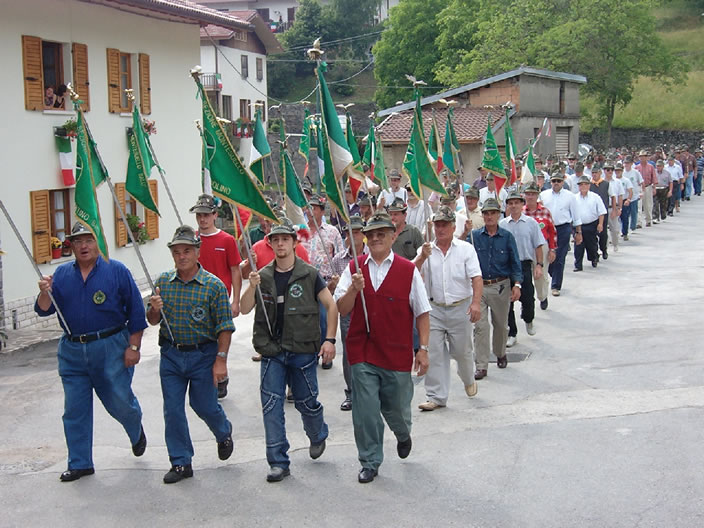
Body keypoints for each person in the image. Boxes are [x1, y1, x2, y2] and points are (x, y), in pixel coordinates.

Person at [34, 222, 147, 482]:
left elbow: (136, 313)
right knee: (74, 410)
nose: (83, 246)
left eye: (89, 240)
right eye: (78, 241)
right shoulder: (61, 275)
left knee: (119, 401)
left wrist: (133, 347)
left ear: (98, 242)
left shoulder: (116, 270)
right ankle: (80, 462)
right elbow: (43, 309)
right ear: (71, 246)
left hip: (110, 347)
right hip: (72, 350)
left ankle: (134, 427)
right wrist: (44, 292)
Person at [335, 211, 431, 484]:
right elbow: (341, 309)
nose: (375, 238)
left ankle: (402, 432)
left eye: (381, 234)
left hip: (397, 352)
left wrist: (422, 348)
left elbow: (423, 312)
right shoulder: (353, 268)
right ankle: (370, 460)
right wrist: (354, 290)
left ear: (393, 236)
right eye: (371, 234)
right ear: (364, 239)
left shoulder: (408, 270)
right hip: (362, 351)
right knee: (365, 409)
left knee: (396, 407)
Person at [240, 219, 338, 483]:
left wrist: (330, 340)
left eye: (285, 239)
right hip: (272, 351)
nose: (280, 243)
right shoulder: (263, 275)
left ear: (295, 242)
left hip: (303, 350)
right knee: (271, 406)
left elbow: (331, 306)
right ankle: (278, 462)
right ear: (270, 243)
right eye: (276, 239)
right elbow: (244, 307)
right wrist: (251, 285)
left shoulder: (309, 274)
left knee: (307, 402)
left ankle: (317, 434)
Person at [147, 226, 235, 484]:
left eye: (187, 251)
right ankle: (181, 461)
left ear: (197, 252)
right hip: (172, 355)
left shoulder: (213, 286)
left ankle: (223, 431)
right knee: (172, 410)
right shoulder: (163, 282)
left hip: (202, 355)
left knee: (204, 405)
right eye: (176, 251)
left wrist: (221, 360)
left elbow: (225, 327)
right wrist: (154, 309)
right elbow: (153, 320)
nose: (181, 256)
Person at [414, 206, 482, 411]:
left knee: (462, 352)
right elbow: (411, 274)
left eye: (445, 225)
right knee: (433, 352)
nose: (441, 229)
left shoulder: (465, 249)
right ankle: (436, 396)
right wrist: (422, 257)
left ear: (453, 227)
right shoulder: (425, 249)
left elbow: (476, 278)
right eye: (437, 225)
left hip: (460, 308)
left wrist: (476, 303)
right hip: (433, 309)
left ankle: (468, 378)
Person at [189, 194, 242, 398]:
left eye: (206, 215)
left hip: (219, 302)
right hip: (196, 300)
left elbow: (235, 270)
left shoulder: (226, 240)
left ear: (215, 215)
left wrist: (235, 300)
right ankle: (204, 377)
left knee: (221, 341)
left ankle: (221, 375)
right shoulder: (192, 240)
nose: (202, 219)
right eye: (199, 215)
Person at [471, 198, 522, 380]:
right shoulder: (474, 236)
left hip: (501, 286)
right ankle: (481, 365)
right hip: (480, 287)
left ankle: (500, 352)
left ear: (499, 215)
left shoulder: (507, 237)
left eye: (492, 213)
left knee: (500, 325)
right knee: (480, 327)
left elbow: (515, 262)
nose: (489, 216)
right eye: (486, 213)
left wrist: (517, 285)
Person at [329, 215, 368, 411]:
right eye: (349, 232)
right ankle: (351, 392)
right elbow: (332, 291)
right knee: (349, 353)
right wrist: (334, 285)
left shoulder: (373, 255)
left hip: (370, 310)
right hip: (348, 311)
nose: (353, 236)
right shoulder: (338, 260)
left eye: (357, 232)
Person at [302, 195, 344, 369]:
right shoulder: (300, 231)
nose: (310, 211)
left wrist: (338, 280)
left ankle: (326, 353)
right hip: (303, 281)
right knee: (305, 321)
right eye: (308, 208)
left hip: (325, 282)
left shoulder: (332, 231)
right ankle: (310, 354)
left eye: (314, 208)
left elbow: (340, 254)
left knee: (324, 319)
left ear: (321, 210)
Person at [499, 190, 545, 347]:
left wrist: (539, 265)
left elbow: (538, 245)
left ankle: (528, 319)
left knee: (528, 297)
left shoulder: (531, 223)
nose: (513, 206)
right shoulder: (502, 224)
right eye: (510, 203)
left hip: (524, 264)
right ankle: (512, 333)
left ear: (521, 204)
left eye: (516, 203)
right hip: (506, 266)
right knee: (507, 302)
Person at [539, 170, 582, 296]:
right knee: (548, 256)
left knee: (560, 256)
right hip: (547, 229)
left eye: (558, 181)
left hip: (563, 228)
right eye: (554, 181)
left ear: (563, 182)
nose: (556, 183)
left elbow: (576, 216)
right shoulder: (544, 195)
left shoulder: (570, 196)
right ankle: (553, 274)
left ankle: (555, 285)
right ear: (550, 182)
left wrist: (578, 232)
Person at [522, 182, 556, 311]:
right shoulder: (520, 212)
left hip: (541, 247)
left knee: (540, 276)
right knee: (525, 276)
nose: (530, 197)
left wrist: (552, 249)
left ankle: (542, 297)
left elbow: (552, 232)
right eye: (528, 194)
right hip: (525, 247)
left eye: (533, 194)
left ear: (537, 195)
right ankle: (526, 302)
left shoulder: (545, 212)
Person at [573, 175, 606, 271]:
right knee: (578, 245)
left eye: (585, 184)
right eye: (581, 185)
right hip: (579, 225)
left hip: (591, 224)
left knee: (591, 244)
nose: (583, 187)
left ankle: (594, 257)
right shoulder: (574, 198)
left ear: (589, 186)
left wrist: (600, 224)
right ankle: (578, 265)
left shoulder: (595, 197)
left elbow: (601, 212)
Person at [603, 161, 624, 253]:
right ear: (604, 171)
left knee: (615, 229)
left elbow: (620, 195)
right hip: (603, 208)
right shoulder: (601, 182)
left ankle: (615, 244)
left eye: (612, 169)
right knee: (603, 230)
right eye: (608, 170)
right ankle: (604, 246)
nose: (610, 171)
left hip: (613, 207)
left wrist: (619, 208)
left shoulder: (617, 182)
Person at [622, 156, 644, 231]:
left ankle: (633, 226)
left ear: (631, 163)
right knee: (625, 214)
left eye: (628, 163)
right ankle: (625, 229)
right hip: (625, 196)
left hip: (634, 195)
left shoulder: (635, 172)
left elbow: (641, 182)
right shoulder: (622, 173)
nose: (626, 164)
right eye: (625, 163)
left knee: (634, 212)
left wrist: (641, 192)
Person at [636, 150, 657, 227]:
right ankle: (638, 222)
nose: (642, 158)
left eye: (644, 156)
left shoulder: (650, 167)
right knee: (639, 205)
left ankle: (648, 220)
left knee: (648, 205)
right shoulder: (637, 167)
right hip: (639, 187)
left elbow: (654, 177)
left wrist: (654, 187)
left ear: (646, 157)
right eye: (641, 157)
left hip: (648, 186)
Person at [614, 161, 634, 241]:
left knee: (624, 218)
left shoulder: (626, 180)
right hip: (614, 201)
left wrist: (628, 199)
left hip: (624, 200)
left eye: (619, 170)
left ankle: (625, 233)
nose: (618, 172)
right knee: (614, 220)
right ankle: (614, 235)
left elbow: (630, 191)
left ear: (622, 171)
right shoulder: (613, 181)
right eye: (616, 171)